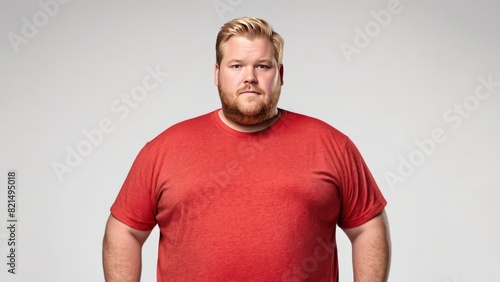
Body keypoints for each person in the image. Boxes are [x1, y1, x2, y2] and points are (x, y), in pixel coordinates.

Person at [102, 17, 391, 282]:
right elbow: (124, 229)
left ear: (279, 73)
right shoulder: (164, 149)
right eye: (236, 66)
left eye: (262, 66)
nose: (249, 77)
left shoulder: (331, 145)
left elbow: (368, 226)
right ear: (217, 73)